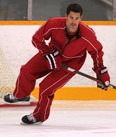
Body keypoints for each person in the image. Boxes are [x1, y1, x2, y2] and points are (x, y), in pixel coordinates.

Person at [4, 3, 110, 124]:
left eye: (77, 18)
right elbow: (37, 38)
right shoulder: (53, 24)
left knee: (45, 89)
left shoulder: (88, 35)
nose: (73, 22)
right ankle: (20, 94)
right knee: (26, 70)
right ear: (66, 16)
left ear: (81, 18)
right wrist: (47, 52)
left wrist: (100, 70)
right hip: (51, 54)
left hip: (71, 64)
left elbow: (96, 52)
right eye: (71, 17)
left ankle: (39, 116)